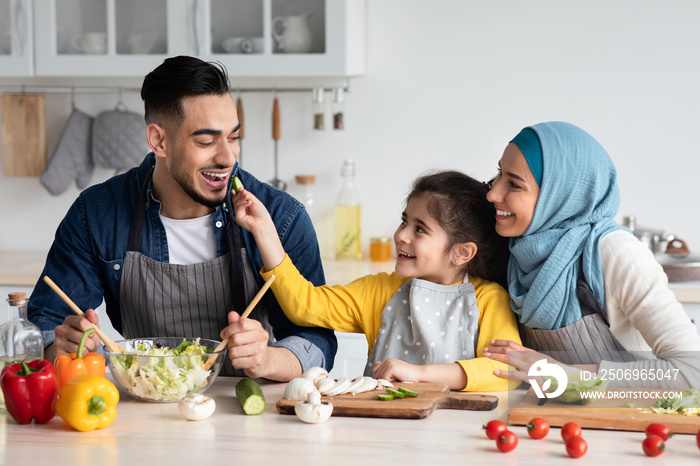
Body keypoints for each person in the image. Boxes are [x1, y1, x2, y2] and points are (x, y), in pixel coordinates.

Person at [27, 55, 336, 381]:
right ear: (158, 140)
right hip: (142, 407)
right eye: (206, 141)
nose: (227, 157)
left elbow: (317, 339)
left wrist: (269, 360)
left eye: (233, 137)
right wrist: (59, 345)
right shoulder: (97, 213)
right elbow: (47, 323)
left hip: (246, 413)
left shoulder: (281, 217)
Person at [233, 169, 521, 391]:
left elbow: (504, 372)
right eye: (404, 220)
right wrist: (265, 232)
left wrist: (419, 374)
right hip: (381, 431)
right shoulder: (380, 289)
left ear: (462, 252)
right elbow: (304, 306)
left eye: (420, 229)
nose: (401, 235)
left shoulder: (488, 300)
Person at [483, 121, 700, 389]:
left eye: (514, 185)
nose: (492, 193)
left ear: (561, 194)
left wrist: (567, 376)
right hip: (552, 419)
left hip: (627, 423)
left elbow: (694, 373)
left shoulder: (614, 251)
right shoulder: (516, 250)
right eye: (499, 173)